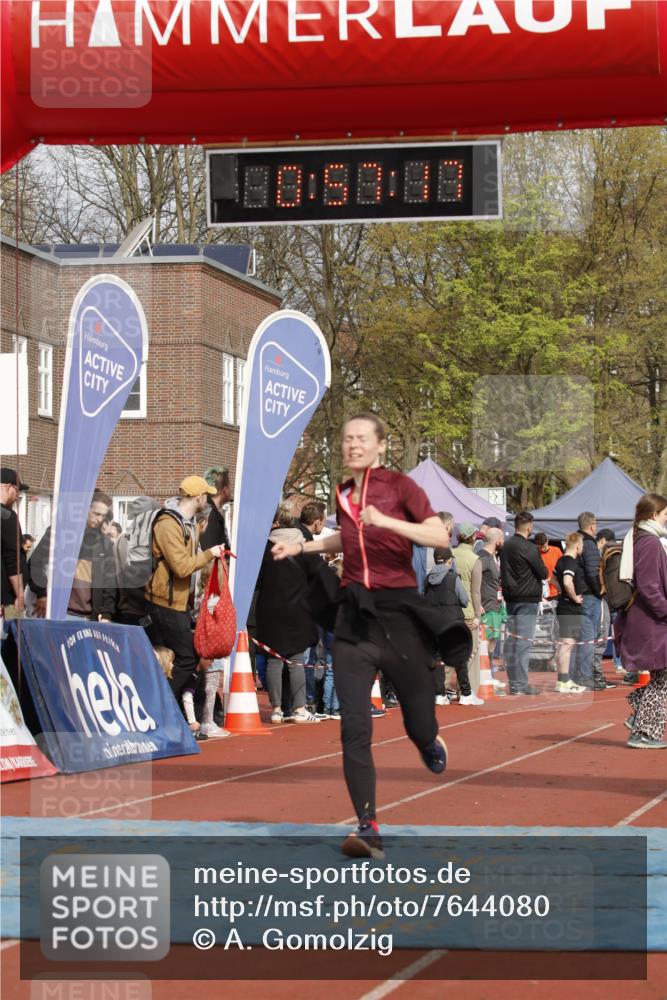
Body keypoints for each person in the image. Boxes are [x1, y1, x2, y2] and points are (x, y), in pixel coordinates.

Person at [272, 413, 470, 860]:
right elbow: (345, 538)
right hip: (354, 619)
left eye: (362, 438)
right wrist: (301, 546)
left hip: (399, 617)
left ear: (381, 445)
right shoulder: (343, 493)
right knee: (354, 728)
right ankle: (368, 825)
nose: (353, 445)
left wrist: (389, 522)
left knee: (418, 721)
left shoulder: (402, 489)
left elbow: (439, 534)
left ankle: (426, 739)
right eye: (347, 439)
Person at [145, 476, 225, 705]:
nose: (207, 501)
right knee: (188, 657)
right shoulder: (168, 524)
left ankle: (172, 709)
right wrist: (211, 554)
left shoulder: (186, 524)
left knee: (172, 658)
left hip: (178, 603)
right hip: (164, 603)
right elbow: (181, 567)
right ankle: (161, 706)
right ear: (198, 497)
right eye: (206, 496)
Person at [256, 504, 323, 724]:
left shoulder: (265, 547)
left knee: (274, 659)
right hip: (297, 608)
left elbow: (257, 580)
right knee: (296, 660)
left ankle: (276, 709)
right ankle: (300, 708)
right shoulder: (302, 544)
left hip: (270, 608)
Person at [615, 493, 667, 749]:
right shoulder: (650, 543)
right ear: (654, 515)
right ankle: (644, 731)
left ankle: (639, 713)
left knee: (661, 677)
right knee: (662, 677)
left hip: (647, 620)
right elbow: (648, 585)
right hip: (651, 622)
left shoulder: (641, 539)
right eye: (665, 514)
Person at [28, 491, 118, 622]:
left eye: (103, 515)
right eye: (96, 514)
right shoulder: (58, 533)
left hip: (91, 617)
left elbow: (109, 582)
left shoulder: (104, 543)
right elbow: (35, 563)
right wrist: (42, 594)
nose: (100, 519)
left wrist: (107, 614)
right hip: (60, 613)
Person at [500, 511, 547, 696]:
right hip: (526, 599)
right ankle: (519, 683)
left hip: (511, 597)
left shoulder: (506, 545)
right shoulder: (528, 547)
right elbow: (542, 572)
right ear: (529, 527)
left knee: (512, 641)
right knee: (522, 642)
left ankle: (514, 681)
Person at [423, 547, 469, 705]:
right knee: (460, 657)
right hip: (453, 622)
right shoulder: (453, 577)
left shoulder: (427, 578)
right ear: (449, 560)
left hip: (435, 624)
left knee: (437, 659)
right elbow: (464, 600)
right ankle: (466, 693)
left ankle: (440, 694)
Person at [452, 523, 484, 705]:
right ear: (473, 537)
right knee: (469, 655)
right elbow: (475, 591)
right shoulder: (474, 559)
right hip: (467, 611)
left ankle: (445, 690)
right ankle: (467, 691)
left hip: (449, 609)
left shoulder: (450, 554)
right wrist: (477, 616)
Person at [553, 533, 588, 694]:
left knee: (564, 643)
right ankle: (564, 680)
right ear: (578, 546)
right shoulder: (570, 562)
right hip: (570, 607)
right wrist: (574, 597)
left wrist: (562, 591)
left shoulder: (561, 560)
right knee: (567, 644)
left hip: (564, 605)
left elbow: (552, 579)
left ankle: (562, 680)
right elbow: (567, 581)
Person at [571, 511, 602, 690]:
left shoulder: (574, 541)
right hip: (589, 595)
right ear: (592, 526)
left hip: (576, 594)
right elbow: (593, 572)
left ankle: (575, 675)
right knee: (588, 638)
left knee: (578, 638)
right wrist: (599, 592)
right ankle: (584, 676)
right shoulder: (589, 544)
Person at [478, 526, 506, 687]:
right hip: (486, 607)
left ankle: (488, 675)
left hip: (495, 605)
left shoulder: (493, 557)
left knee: (492, 643)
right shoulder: (483, 558)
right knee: (485, 643)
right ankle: (484, 677)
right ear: (497, 541)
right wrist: (478, 603)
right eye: (502, 539)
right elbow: (472, 579)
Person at [0, 468, 28, 621]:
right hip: (7, 602)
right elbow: (12, 558)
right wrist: (20, 595)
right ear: (8, 487)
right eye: (17, 491)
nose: (18, 497)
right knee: (11, 638)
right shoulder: (8, 517)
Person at [199, 468, 232, 553]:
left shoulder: (211, 513)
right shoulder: (210, 515)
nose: (231, 490)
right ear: (225, 490)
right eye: (230, 486)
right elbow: (208, 552)